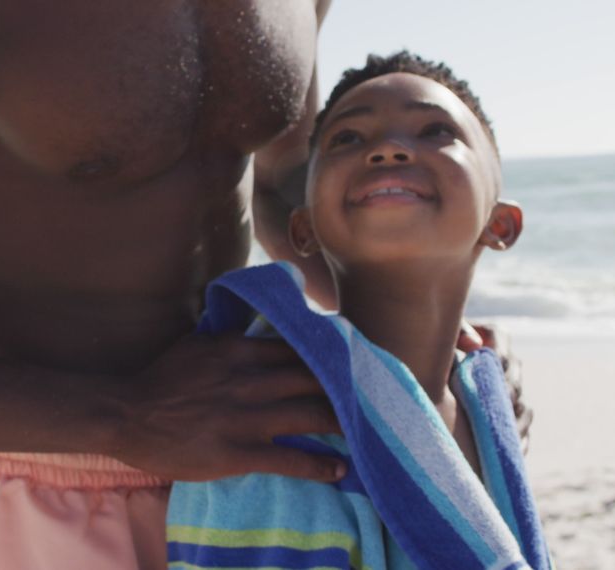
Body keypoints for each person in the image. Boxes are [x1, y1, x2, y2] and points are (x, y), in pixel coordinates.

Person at [0, 2, 527, 569]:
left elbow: (285, 187)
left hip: (270, 469)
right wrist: (122, 418)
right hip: (51, 489)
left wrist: (412, 361)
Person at [167, 52, 548, 569]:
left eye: (436, 130)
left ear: (499, 225)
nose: (389, 149)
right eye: (348, 138)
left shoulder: (486, 403)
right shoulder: (273, 418)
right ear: (303, 229)